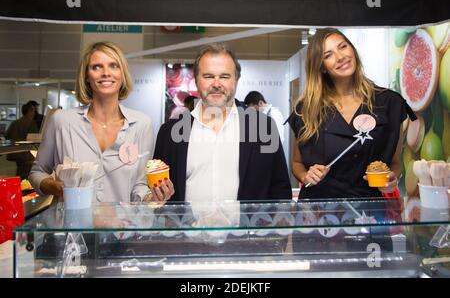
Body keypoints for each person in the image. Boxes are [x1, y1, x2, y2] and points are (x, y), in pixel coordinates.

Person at [287, 28, 416, 199]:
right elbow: (297, 163)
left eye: (343, 47)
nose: (340, 57)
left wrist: (392, 179)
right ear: (321, 67)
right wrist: (305, 175)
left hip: (369, 212)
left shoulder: (389, 103)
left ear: (352, 50)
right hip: (319, 212)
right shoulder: (306, 109)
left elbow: (395, 163)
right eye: (328, 55)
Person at [153, 43, 292, 202]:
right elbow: (158, 194)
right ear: (196, 80)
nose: (217, 84)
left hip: (248, 227)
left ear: (236, 80)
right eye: (209, 76)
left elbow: (280, 189)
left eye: (224, 76)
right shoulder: (169, 133)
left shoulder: (263, 128)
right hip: (187, 227)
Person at [29, 41, 163, 203]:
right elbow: (37, 172)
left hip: (121, 225)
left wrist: (153, 197)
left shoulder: (141, 124)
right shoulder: (62, 121)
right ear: (86, 75)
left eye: (114, 66)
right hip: (72, 225)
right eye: (96, 67)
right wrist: (55, 187)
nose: (106, 73)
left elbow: (139, 186)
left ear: (122, 74)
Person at [5, 103, 39, 179]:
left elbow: (7, 136)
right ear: (29, 111)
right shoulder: (32, 123)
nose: (34, 113)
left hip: (15, 153)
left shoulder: (15, 122)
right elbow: (35, 139)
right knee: (25, 176)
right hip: (27, 155)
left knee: (20, 172)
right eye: (33, 111)